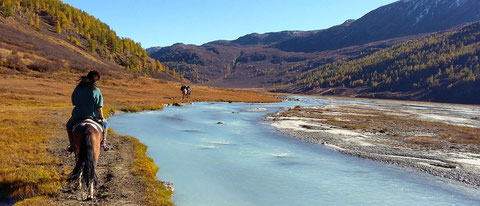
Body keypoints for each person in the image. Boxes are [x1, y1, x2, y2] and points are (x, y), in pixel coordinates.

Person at [66, 71, 108, 152]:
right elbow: (99, 106)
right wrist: (102, 117)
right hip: (93, 116)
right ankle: (103, 143)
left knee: (68, 126)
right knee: (105, 124)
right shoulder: (96, 90)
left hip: (78, 115)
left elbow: (74, 102)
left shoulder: (78, 88)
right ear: (96, 80)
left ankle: (72, 145)